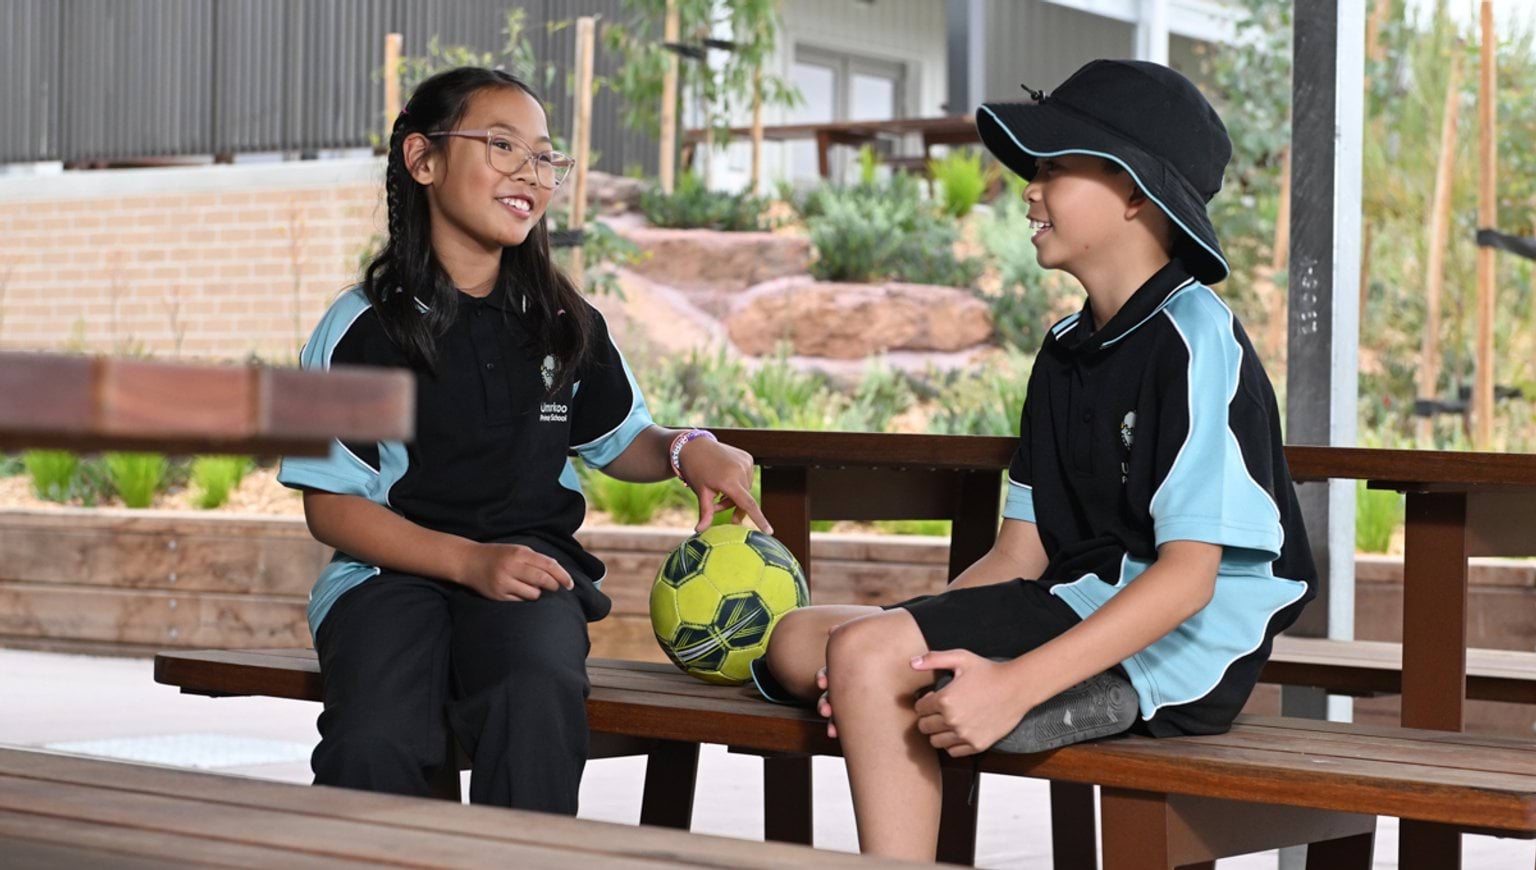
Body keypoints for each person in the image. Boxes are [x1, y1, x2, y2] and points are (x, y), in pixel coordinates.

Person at [755, 59, 1318, 860]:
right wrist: (912, 649)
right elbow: (1020, 554)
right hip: (1075, 598)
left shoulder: (1195, 341)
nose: (1028, 190)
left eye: (1055, 169)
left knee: (867, 658)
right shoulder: (1063, 351)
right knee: (802, 643)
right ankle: (980, 686)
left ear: (1134, 193)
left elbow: (1191, 579)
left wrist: (1000, 679)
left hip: (1179, 644)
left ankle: (1049, 696)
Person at [277, 66, 768, 813]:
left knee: (534, 695)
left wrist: (681, 449)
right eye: (502, 145)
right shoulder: (359, 329)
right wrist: (468, 561)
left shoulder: (564, 320)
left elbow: (618, 436)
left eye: (544, 155)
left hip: (530, 576)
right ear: (424, 160)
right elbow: (333, 511)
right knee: (373, 737)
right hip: (385, 579)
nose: (529, 173)